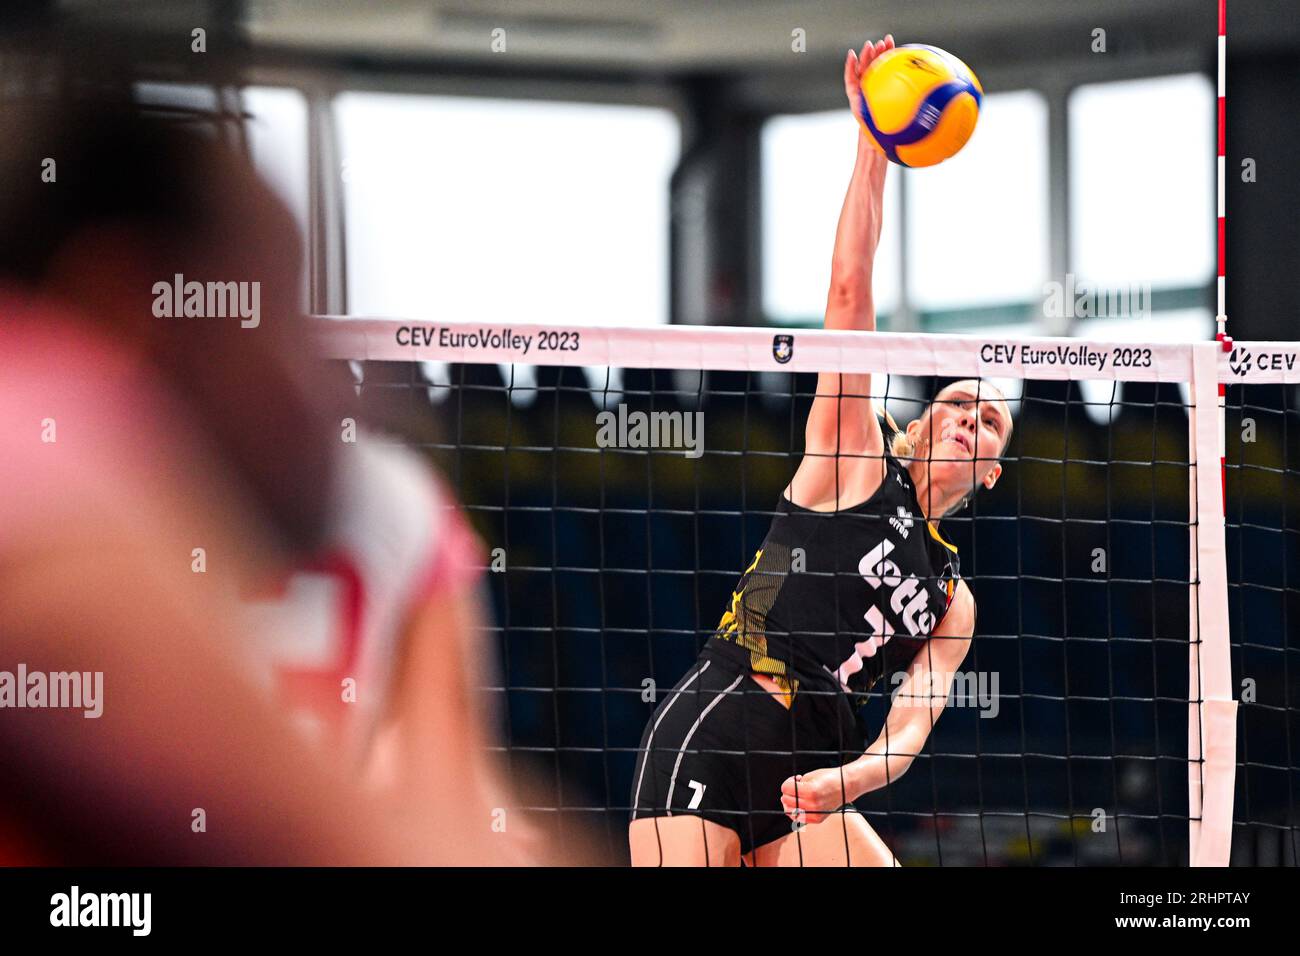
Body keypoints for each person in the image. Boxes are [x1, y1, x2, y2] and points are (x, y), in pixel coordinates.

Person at [628, 36, 1014, 866]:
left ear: (990, 472)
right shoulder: (855, 459)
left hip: (810, 771)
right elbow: (849, 292)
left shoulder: (954, 600)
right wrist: (872, 149)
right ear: (916, 425)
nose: (969, 420)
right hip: (720, 728)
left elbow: (910, 727)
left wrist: (850, 782)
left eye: (988, 425)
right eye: (955, 404)